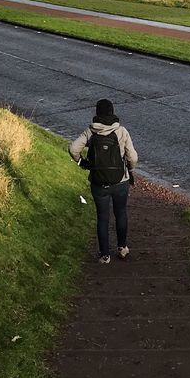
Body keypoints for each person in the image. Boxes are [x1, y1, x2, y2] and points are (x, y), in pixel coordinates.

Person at [70, 98, 138, 264]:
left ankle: (104, 255)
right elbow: (133, 157)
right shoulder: (121, 131)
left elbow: (73, 149)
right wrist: (130, 169)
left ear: (97, 113)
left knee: (102, 217)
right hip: (120, 181)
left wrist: (82, 163)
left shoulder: (90, 132)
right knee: (120, 213)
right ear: (112, 112)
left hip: (98, 182)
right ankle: (122, 248)